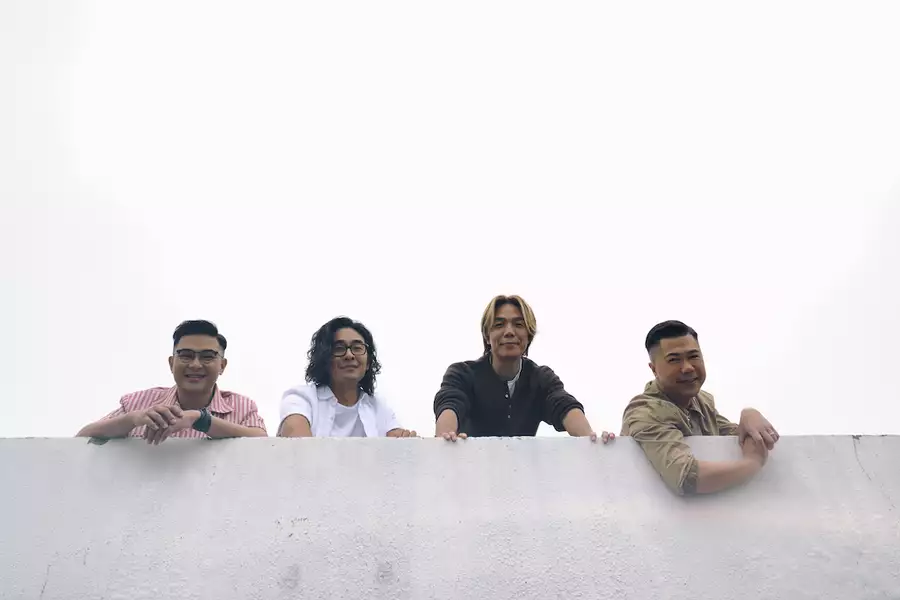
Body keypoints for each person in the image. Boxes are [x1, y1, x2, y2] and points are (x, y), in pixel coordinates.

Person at [621, 320, 779, 495]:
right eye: (674, 360)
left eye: (694, 356)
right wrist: (752, 464)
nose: (688, 367)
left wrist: (749, 414)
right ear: (654, 369)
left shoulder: (701, 402)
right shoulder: (644, 412)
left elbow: (737, 436)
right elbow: (686, 478)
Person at [433, 294, 613, 442]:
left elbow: (562, 404)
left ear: (529, 335)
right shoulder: (462, 373)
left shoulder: (541, 377)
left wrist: (590, 439)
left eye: (518, 325)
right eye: (499, 324)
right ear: (487, 336)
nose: (509, 331)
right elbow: (450, 402)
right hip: (471, 473)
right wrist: (445, 437)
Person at [76, 320, 267, 444]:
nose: (195, 364)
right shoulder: (136, 404)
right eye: (186, 355)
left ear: (222, 366)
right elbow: (82, 439)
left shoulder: (242, 407)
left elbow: (264, 443)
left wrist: (199, 420)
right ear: (171, 362)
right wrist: (132, 420)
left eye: (207, 356)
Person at [279, 317, 415, 438]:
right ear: (324, 359)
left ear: (368, 363)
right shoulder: (301, 399)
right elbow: (299, 450)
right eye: (339, 348)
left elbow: (397, 451)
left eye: (357, 348)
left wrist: (403, 439)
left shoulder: (379, 408)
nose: (349, 355)